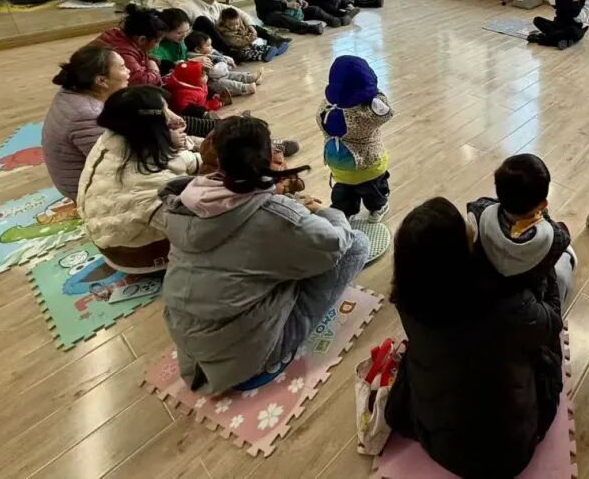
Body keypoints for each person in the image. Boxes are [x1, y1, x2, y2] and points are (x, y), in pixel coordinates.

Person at [161, 116, 369, 393]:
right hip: (246, 358)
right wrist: (325, 211)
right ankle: (273, 355)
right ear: (266, 159)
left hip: (191, 349)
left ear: (219, 159)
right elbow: (335, 243)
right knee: (357, 245)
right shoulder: (278, 217)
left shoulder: (186, 200)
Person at [386, 198, 564, 479]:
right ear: (459, 253)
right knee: (560, 280)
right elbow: (552, 324)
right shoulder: (505, 299)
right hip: (510, 452)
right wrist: (543, 266)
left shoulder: (407, 296)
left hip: (436, 440)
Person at [78, 85, 202, 273]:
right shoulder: (148, 180)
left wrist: (178, 144)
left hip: (111, 232)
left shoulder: (117, 137)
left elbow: (173, 160)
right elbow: (195, 229)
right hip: (137, 252)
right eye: (165, 113)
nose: (175, 118)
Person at [91, 6, 218, 138]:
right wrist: (153, 68)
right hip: (121, 101)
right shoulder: (123, 51)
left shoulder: (122, 38)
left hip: (119, 96)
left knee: (166, 107)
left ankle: (210, 126)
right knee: (161, 110)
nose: (157, 46)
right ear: (142, 39)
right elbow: (139, 80)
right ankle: (209, 128)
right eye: (157, 41)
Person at [467, 153, 575, 306]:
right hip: (528, 299)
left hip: (485, 289)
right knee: (565, 263)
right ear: (543, 205)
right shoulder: (557, 238)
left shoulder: (477, 210)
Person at [42, 46, 130, 201]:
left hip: (79, 178)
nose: (128, 71)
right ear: (101, 80)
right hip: (88, 192)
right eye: (123, 67)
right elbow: (115, 162)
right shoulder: (88, 114)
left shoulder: (71, 92)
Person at [317, 55, 393, 220]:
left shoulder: (325, 109)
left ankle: (345, 213)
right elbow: (386, 112)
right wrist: (373, 92)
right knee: (374, 191)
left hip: (339, 166)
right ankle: (378, 208)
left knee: (344, 193)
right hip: (367, 165)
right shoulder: (364, 117)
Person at [184, 31, 259, 97]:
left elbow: (220, 57)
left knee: (232, 74)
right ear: (197, 49)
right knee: (225, 84)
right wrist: (224, 64)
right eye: (208, 46)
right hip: (210, 82)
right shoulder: (197, 58)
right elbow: (214, 72)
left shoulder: (208, 52)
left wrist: (227, 60)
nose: (211, 47)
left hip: (219, 75)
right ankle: (245, 88)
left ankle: (251, 78)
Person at [217, 6, 287, 62]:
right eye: (231, 25)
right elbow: (236, 43)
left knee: (258, 47)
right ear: (224, 23)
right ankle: (264, 55)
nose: (235, 27)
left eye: (237, 24)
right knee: (248, 54)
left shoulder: (240, 23)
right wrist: (249, 40)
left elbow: (245, 31)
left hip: (248, 44)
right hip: (239, 49)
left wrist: (249, 35)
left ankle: (274, 50)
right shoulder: (225, 32)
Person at [150, 8, 203, 73]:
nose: (184, 36)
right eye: (179, 33)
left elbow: (184, 59)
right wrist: (189, 63)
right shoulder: (155, 48)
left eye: (187, 31)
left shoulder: (179, 41)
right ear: (166, 31)